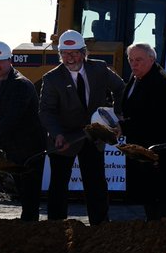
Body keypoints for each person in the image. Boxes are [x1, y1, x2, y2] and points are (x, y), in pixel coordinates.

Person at [38, 29, 126, 225]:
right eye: (65, 54)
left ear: (84, 52)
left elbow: (121, 89)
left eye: (74, 53)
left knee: (96, 183)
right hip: (64, 139)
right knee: (59, 184)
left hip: (93, 136)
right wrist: (57, 134)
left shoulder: (100, 69)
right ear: (59, 54)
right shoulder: (51, 79)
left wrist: (117, 115)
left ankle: (100, 226)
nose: (70, 58)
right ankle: (56, 226)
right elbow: (46, 111)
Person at [119, 43, 166, 222]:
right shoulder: (137, 78)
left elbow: (156, 120)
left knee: (164, 206)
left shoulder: (160, 82)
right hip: (146, 154)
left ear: (152, 59)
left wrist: (124, 127)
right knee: (150, 203)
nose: (134, 64)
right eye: (131, 60)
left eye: (139, 60)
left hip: (162, 156)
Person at [0, 41, 45, 221]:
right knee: (20, 186)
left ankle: (30, 227)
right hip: (13, 144)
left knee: (29, 191)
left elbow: (12, 118)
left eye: (0, 60)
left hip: (30, 146)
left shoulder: (20, 85)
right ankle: (25, 225)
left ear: (10, 60)